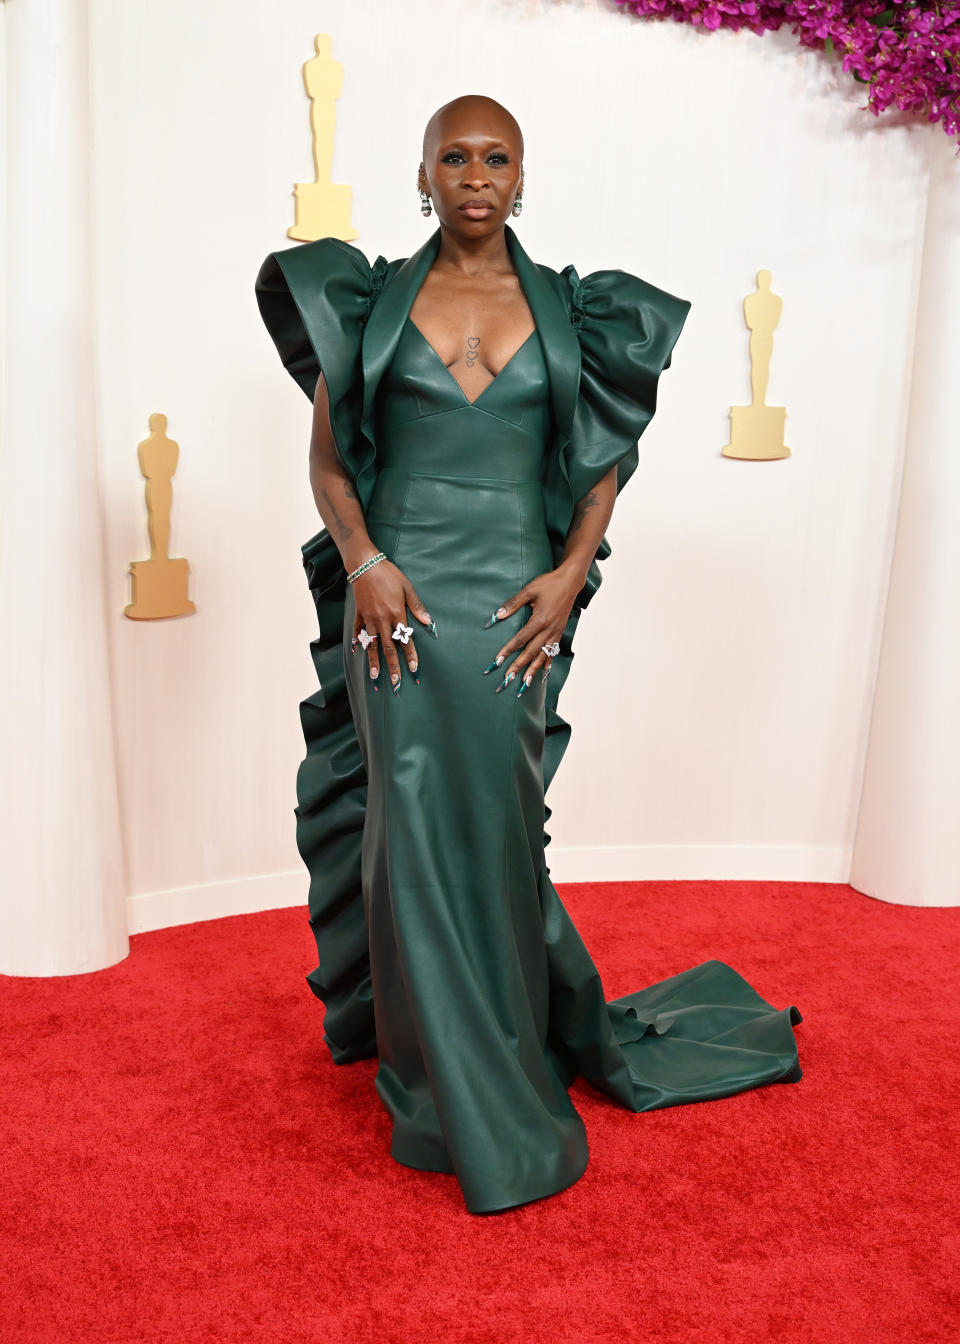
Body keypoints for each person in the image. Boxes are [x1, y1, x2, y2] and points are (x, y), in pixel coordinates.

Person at [255, 94, 803, 1215]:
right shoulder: (364, 302)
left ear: (521, 176)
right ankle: (435, 1084)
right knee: (407, 823)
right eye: (452, 156)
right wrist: (363, 562)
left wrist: (569, 574)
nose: (474, 173)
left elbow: (601, 462)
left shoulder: (573, 311)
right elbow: (328, 464)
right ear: (422, 174)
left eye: (494, 156)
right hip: (396, 598)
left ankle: (507, 1037)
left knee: (499, 823)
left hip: (516, 596)